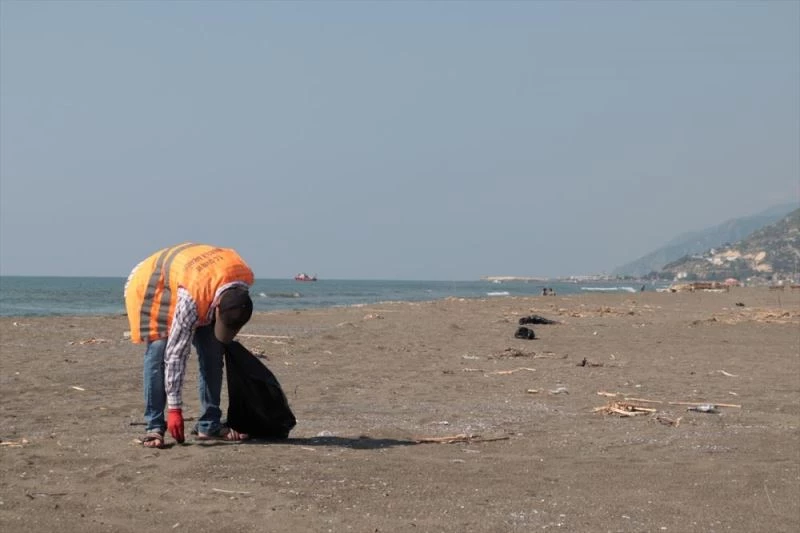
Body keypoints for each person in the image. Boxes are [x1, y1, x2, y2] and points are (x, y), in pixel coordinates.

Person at [124, 243, 255, 448]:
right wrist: (175, 410)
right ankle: (155, 427)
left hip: (192, 283)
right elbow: (176, 355)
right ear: (218, 306)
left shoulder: (242, 280)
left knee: (213, 351)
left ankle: (209, 425)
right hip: (153, 284)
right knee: (159, 352)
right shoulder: (192, 301)